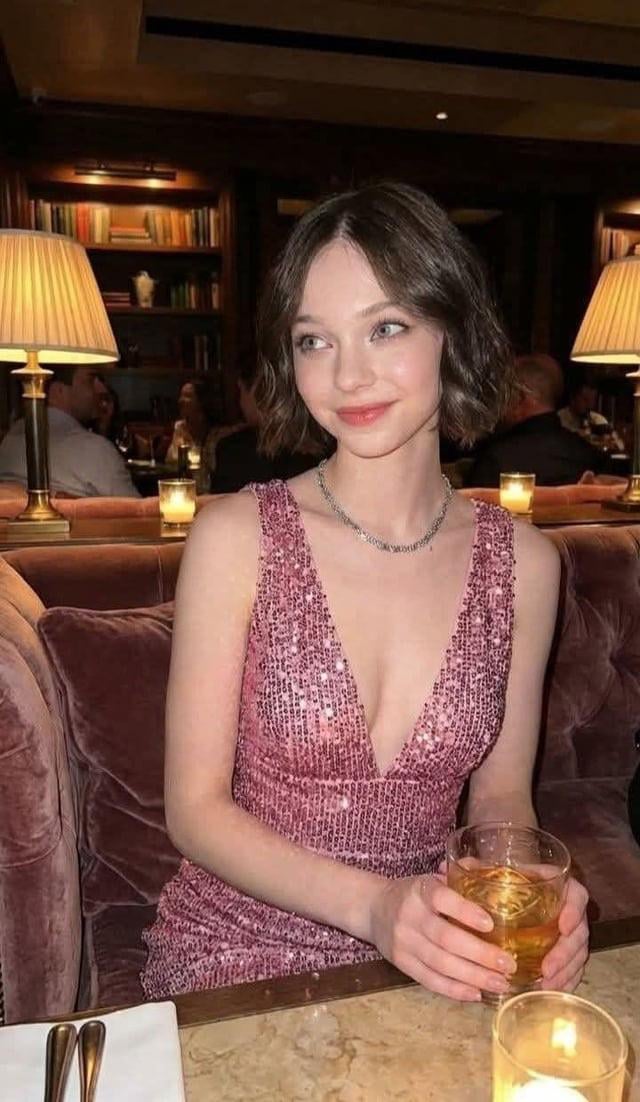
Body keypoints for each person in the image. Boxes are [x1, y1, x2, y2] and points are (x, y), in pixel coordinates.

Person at [142, 183, 588, 1003]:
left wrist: (533, 891)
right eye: (314, 341)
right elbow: (194, 811)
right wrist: (374, 908)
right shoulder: (237, 537)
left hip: (429, 948)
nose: (348, 375)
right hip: (236, 947)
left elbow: (500, 798)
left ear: (453, 330)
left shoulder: (526, 563)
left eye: (386, 328)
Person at [0, 365, 139, 498]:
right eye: (90, 380)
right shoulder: (95, 450)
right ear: (58, 391)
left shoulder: (9, 442)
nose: (101, 389)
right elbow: (139, 512)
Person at [467, 353, 603, 487]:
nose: (497, 407)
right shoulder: (589, 456)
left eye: (502, 396)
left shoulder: (495, 461)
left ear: (519, 398)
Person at [210, 364, 320, 491]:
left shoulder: (233, 450)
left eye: (240, 391)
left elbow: (221, 500)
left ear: (255, 390)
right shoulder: (322, 447)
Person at [558, 378, 624, 453]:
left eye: (593, 400)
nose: (590, 405)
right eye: (585, 400)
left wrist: (611, 442)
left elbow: (620, 446)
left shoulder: (599, 420)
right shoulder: (560, 419)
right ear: (573, 398)